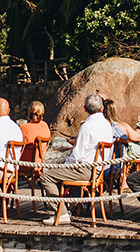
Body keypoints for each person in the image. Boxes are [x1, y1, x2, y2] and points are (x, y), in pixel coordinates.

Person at [40, 94, 113, 226]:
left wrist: (65, 165)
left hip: (86, 170)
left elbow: (78, 155)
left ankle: (62, 213)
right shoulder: (107, 125)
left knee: (46, 176)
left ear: (85, 109)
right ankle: (63, 209)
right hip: (99, 170)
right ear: (102, 108)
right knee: (56, 173)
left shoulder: (87, 126)